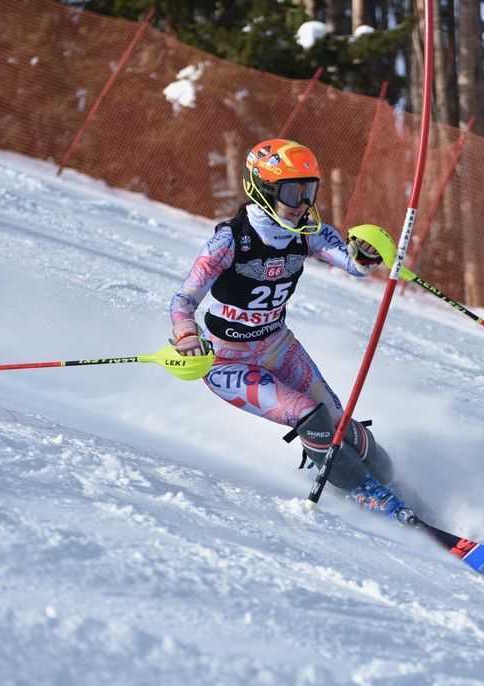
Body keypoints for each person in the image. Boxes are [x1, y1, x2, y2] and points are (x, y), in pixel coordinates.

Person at [169, 138, 414, 523]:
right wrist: (186, 336)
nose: (302, 202)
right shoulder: (229, 239)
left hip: (278, 346)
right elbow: (183, 301)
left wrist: (368, 255)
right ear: (263, 190)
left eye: (308, 190)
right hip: (226, 362)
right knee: (307, 414)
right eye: (292, 191)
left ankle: (391, 482)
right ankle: (365, 493)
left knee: (339, 422)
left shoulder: (306, 230)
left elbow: (352, 262)